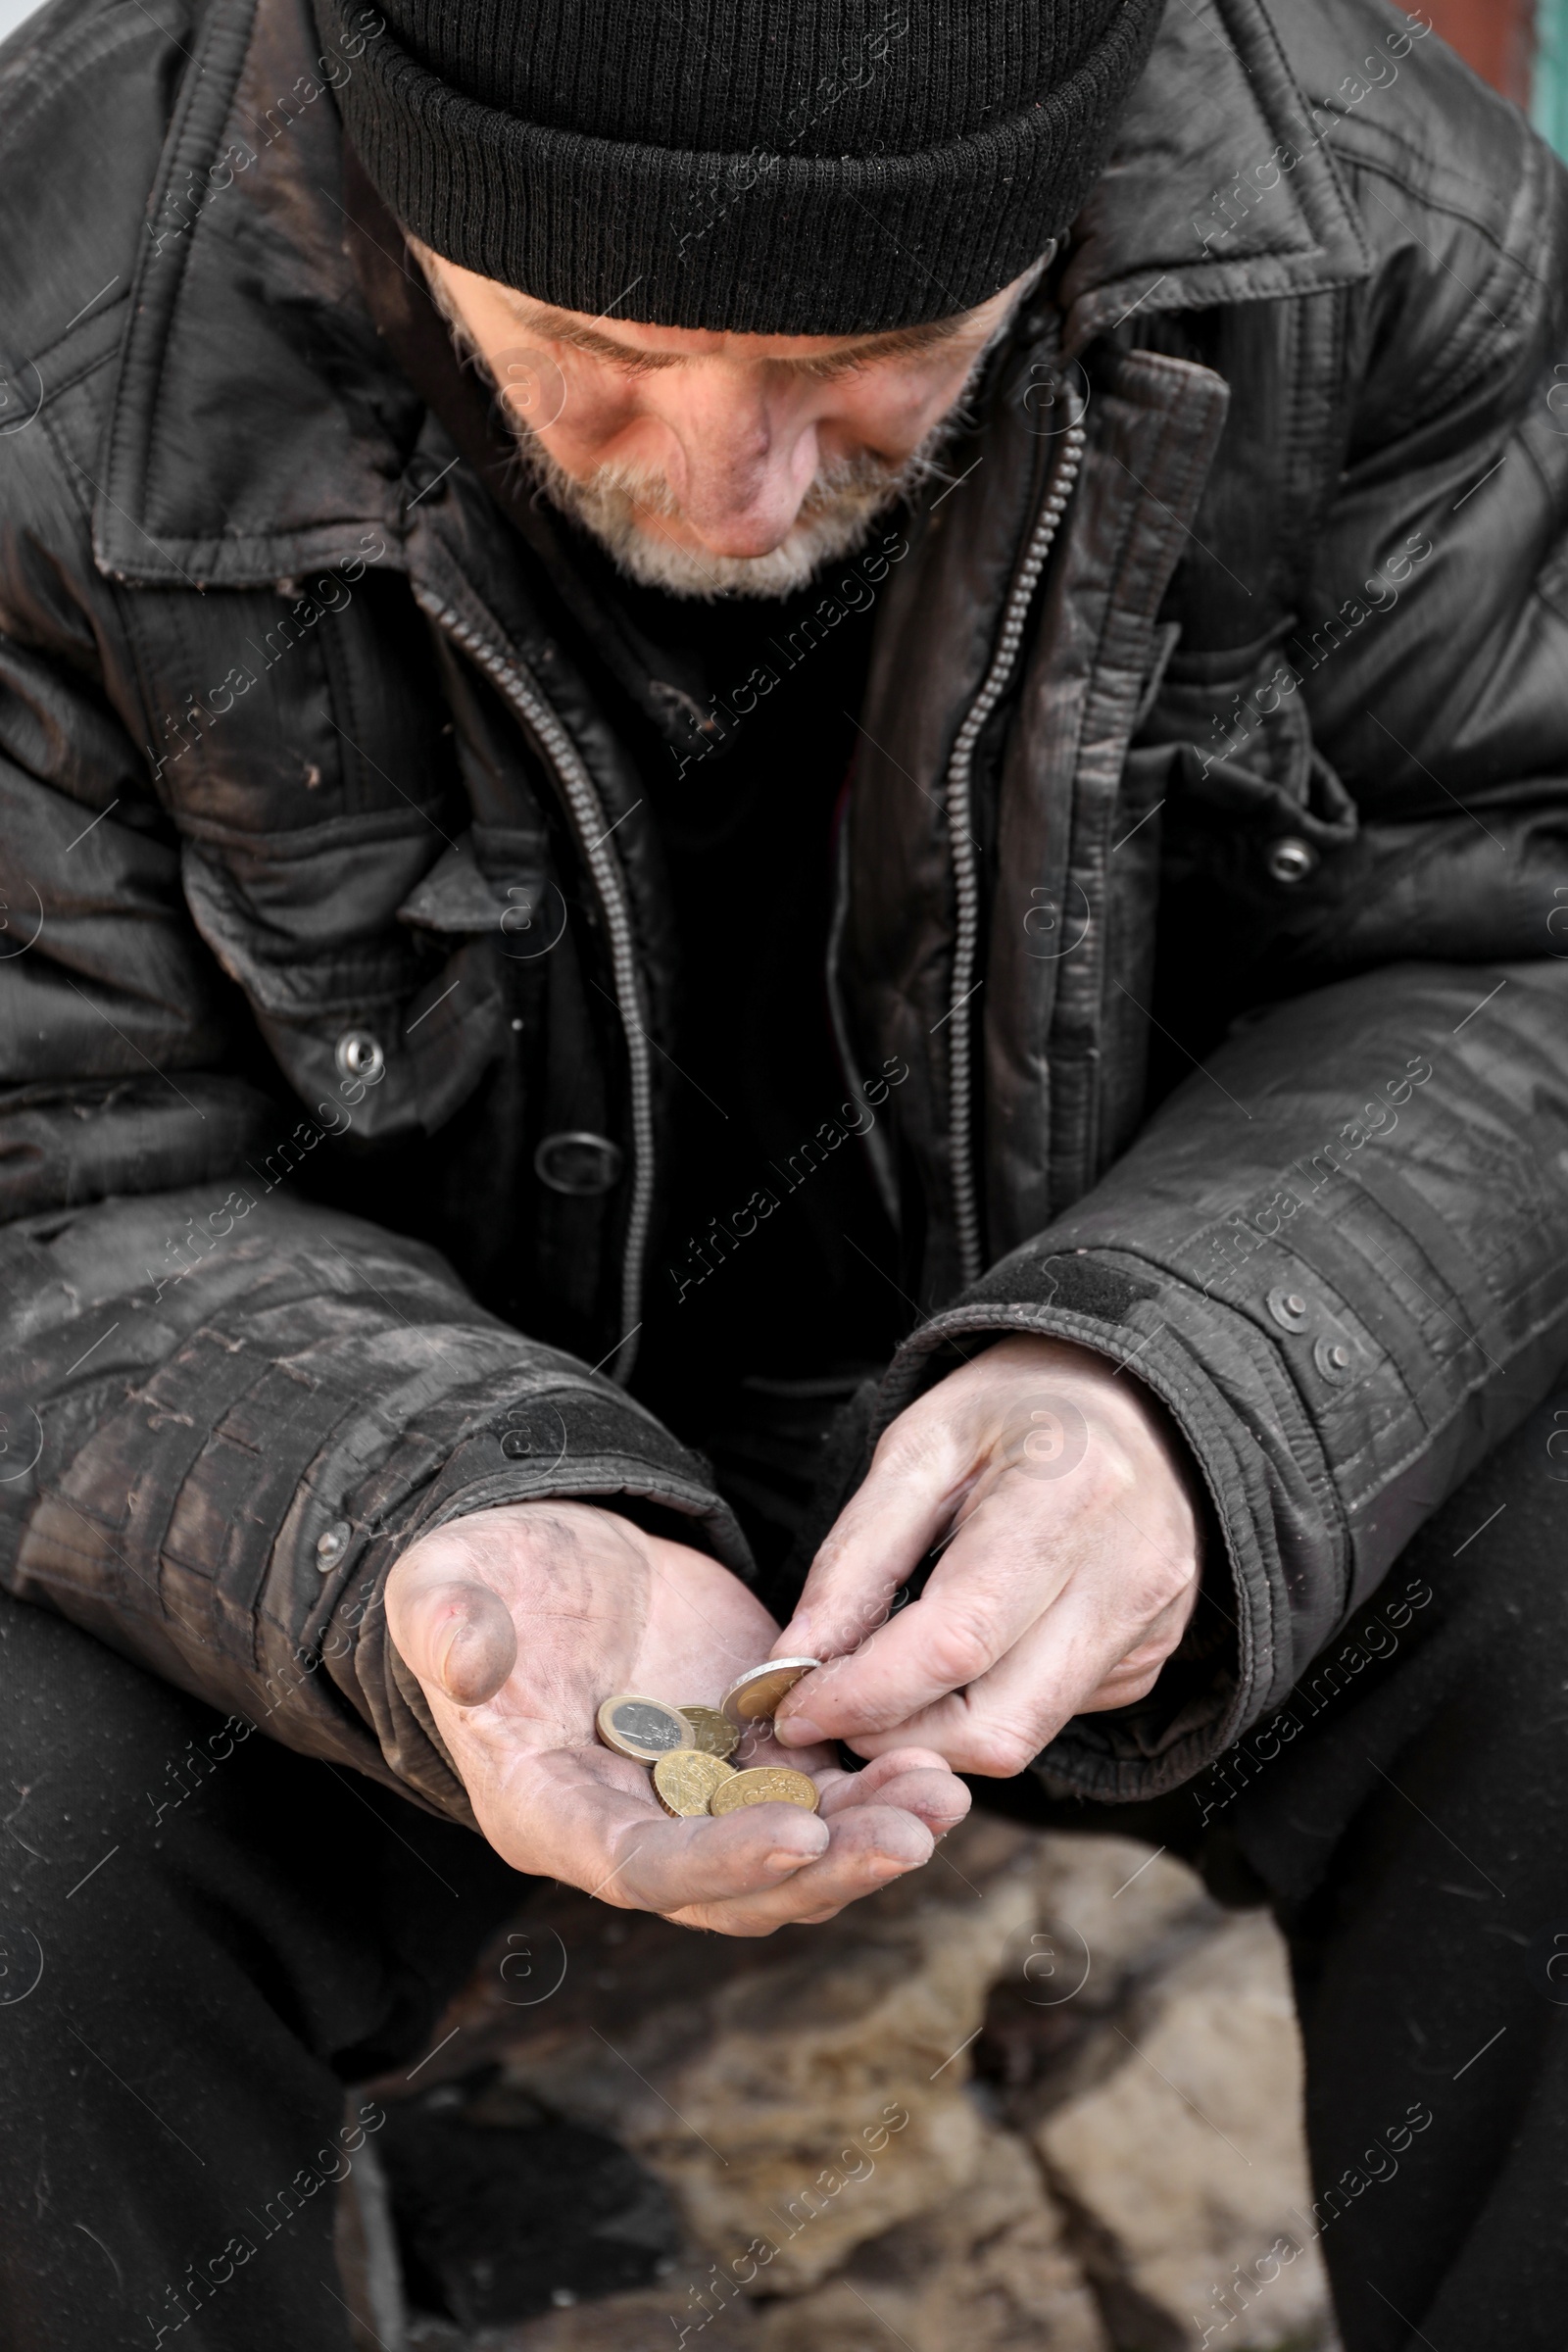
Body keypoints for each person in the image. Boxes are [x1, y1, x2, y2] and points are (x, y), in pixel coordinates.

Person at [0, 0, 1565, 2342]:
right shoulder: (50, 314)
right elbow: (44, 1153)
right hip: (360, 1439)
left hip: (1146, 1359)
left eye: (880, 355)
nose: (728, 492)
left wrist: (1184, 1394)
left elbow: (1516, 922)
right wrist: (412, 1511)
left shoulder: (1372, 213)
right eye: (592, 349)